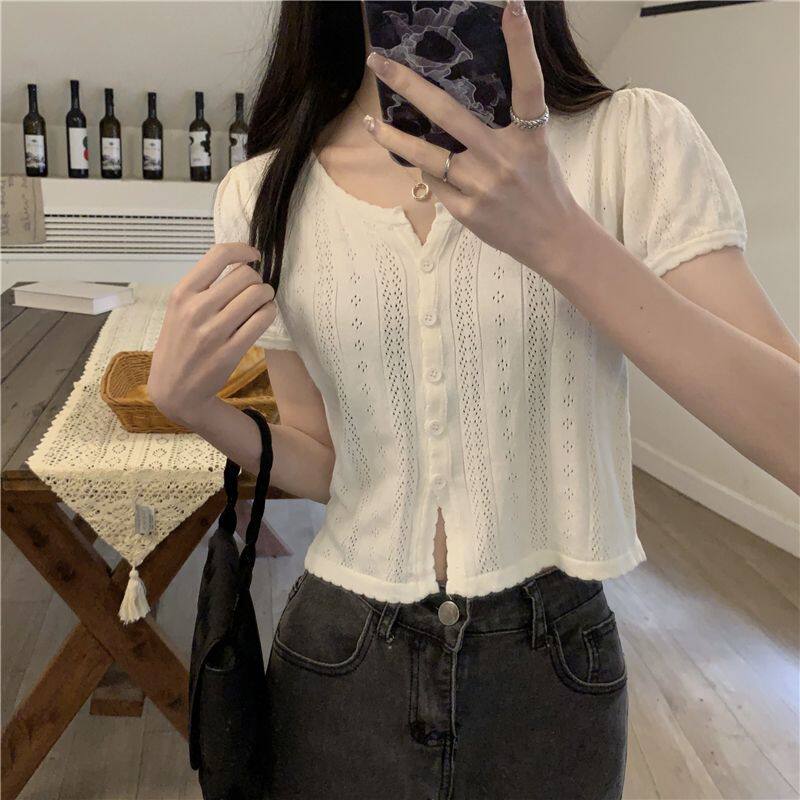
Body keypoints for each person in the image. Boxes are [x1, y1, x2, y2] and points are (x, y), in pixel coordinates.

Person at [148, 2, 799, 799]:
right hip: (340, 657)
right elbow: (327, 464)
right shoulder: (264, 191)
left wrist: (565, 241)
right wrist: (198, 410)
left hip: (551, 668)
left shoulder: (634, 140)